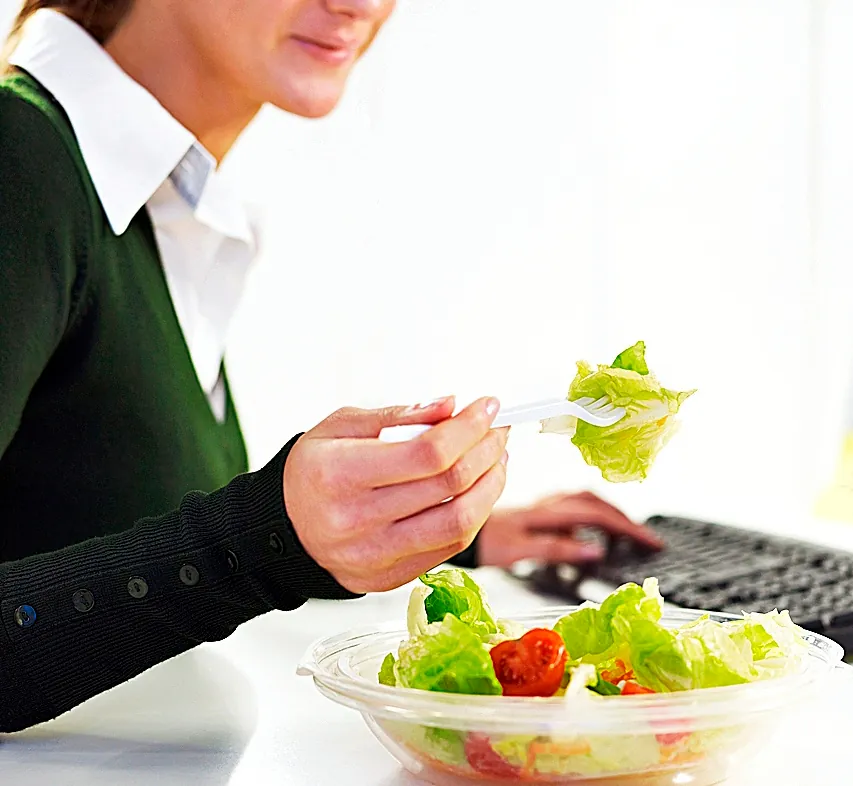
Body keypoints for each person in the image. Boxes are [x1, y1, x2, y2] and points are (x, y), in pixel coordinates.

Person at [0, 0, 661, 733]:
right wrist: (268, 539)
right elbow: (223, 550)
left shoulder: (146, 198)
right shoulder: (18, 159)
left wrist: (409, 528)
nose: (362, 5)